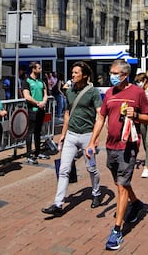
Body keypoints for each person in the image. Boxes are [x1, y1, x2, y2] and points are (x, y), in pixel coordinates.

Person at [86, 59, 148, 250]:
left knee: (121, 186)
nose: (111, 76)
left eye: (115, 73)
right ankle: (137, 204)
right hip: (111, 146)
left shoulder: (137, 93)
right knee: (119, 182)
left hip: (128, 145)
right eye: (111, 73)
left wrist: (136, 115)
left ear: (125, 75)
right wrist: (93, 140)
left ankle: (116, 230)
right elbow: (101, 118)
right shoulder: (109, 93)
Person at [41, 61, 102, 216]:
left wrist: (94, 140)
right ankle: (58, 204)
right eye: (72, 72)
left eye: (76, 73)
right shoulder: (69, 92)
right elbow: (67, 114)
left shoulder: (93, 92)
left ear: (85, 75)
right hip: (71, 135)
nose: (73, 75)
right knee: (64, 169)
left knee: (91, 168)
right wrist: (63, 134)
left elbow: (100, 115)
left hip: (87, 136)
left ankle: (96, 193)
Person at [22, 61, 50, 164]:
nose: (40, 70)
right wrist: (38, 103)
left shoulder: (41, 81)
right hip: (33, 110)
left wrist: (43, 102)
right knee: (30, 132)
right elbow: (27, 96)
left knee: (38, 132)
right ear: (33, 69)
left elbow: (45, 93)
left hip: (41, 110)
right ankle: (29, 155)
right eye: (39, 68)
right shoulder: (26, 81)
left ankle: (37, 152)